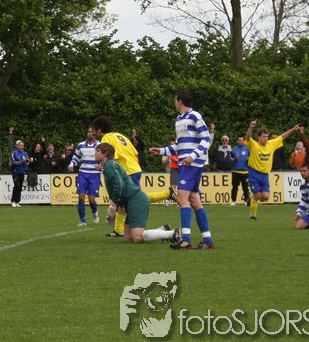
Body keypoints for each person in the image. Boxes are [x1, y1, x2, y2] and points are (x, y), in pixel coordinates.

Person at [149, 90, 215, 250]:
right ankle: (208, 240)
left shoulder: (195, 116)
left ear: (179, 101)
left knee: (181, 199)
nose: (174, 102)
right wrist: (162, 151)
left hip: (191, 164)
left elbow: (206, 139)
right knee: (194, 201)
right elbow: (180, 145)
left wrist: (192, 156)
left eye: (175, 100)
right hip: (186, 163)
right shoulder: (179, 120)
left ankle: (185, 239)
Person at [90, 116, 172, 238]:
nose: (92, 133)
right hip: (135, 168)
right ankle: (119, 229)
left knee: (135, 199)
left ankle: (167, 194)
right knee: (131, 199)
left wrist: (109, 168)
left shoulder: (106, 138)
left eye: (93, 130)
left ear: (99, 130)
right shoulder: (120, 136)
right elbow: (135, 153)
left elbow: (111, 158)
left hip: (126, 171)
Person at [96, 142, 176, 244]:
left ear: (105, 154)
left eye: (98, 151)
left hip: (135, 200)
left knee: (137, 237)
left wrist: (114, 203)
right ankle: (162, 230)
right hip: (133, 200)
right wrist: (119, 203)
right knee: (128, 239)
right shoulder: (109, 165)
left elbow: (119, 184)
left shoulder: (109, 165)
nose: (95, 153)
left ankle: (173, 233)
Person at [245, 119, 302, 220]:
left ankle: (250, 197)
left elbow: (282, 137)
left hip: (264, 174)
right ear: (259, 137)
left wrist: (293, 130)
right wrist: (251, 127)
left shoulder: (271, 144)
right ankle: (253, 216)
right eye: (263, 137)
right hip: (254, 172)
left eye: (267, 136)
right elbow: (248, 137)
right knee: (257, 195)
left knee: (266, 197)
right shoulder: (254, 145)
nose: (266, 139)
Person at [68, 126, 101, 226]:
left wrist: (101, 166)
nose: (90, 133)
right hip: (83, 173)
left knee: (91, 199)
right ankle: (83, 221)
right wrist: (72, 165)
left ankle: (95, 212)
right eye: (89, 132)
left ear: (95, 134)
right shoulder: (81, 145)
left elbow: (104, 158)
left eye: (92, 132)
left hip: (94, 175)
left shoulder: (100, 145)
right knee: (81, 196)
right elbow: (76, 157)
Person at [230, 135, 251, 206]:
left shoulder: (247, 149)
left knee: (245, 187)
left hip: (245, 172)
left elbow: (252, 157)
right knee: (235, 187)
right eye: (239, 140)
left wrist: (249, 159)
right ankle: (233, 201)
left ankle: (246, 201)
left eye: (242, 140)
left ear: (244, 141)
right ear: (237, 141)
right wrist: (235, 158)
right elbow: (230, 159)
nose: (241, 141)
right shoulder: (234, 150)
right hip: (236, 171)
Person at [8, 139, 29, 207]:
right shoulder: (14, 153)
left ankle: (17, 201)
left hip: (22, 172)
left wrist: (26, 161)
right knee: (16, 185)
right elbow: (14, 162)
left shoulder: (25, 153)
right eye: (20, 145)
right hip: (15, 171)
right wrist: (22, 161)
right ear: (17, 146)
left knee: (20, 187)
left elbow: (27, 163)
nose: (21, 147)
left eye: (22, 146)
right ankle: (13, 201)